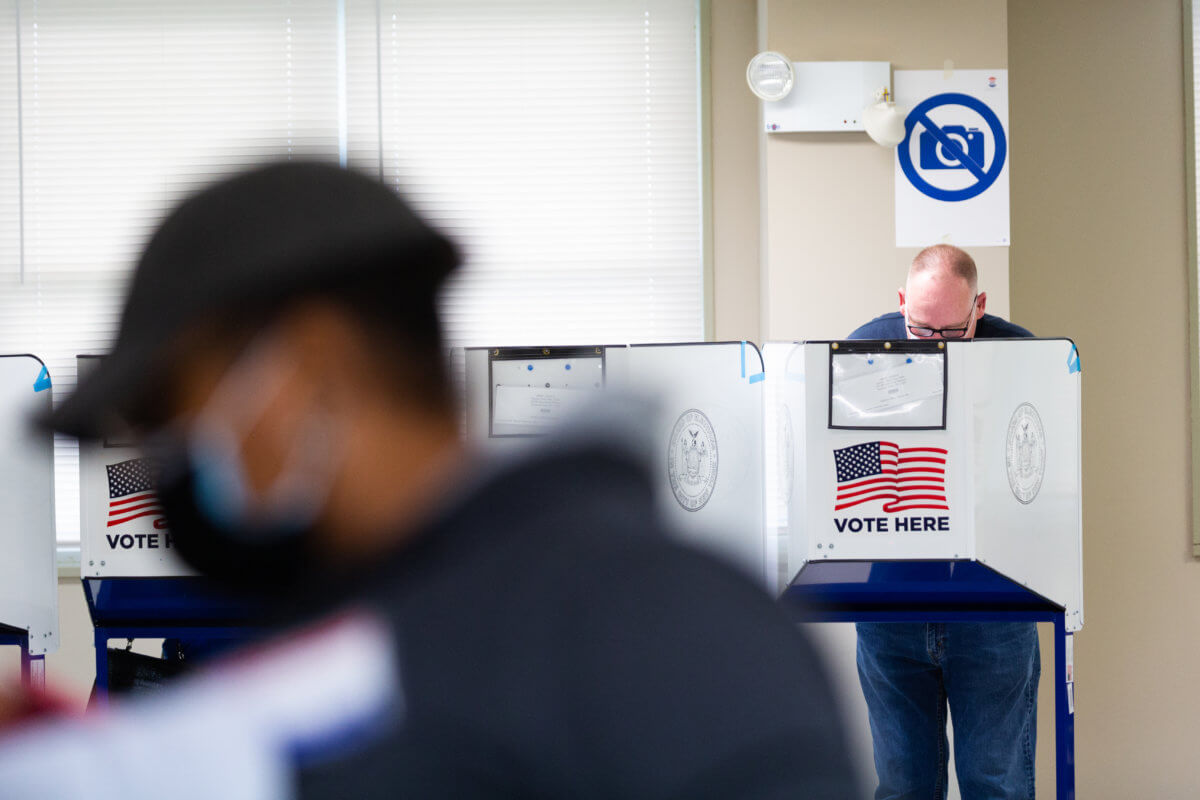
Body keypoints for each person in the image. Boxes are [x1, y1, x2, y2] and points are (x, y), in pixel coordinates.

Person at [0, 162, 858, 798]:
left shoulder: (661, 623)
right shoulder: (373, 635)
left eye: (172, 413)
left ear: (314, 367)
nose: (168, 460)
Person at [848, 244, 1039, 800]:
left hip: (994, 604)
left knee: (996, 784)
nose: (936, 347)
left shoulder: (1022, 356)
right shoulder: (862, 349)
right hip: (891, 604)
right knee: (904, 786)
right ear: (902, 303)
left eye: (953, 333)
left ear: (978, 307)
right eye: (920, 329)